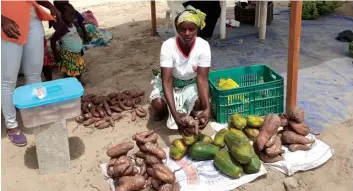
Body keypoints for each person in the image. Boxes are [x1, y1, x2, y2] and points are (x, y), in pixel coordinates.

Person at [1, 0, 59, 147]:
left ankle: (35, 113)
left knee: (34, 73)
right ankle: (12, 127)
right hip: (8, 22)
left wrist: (50, 6)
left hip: (33, 20)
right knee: (8, 81)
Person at [150, 5, 211, 135]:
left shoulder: (203, 46)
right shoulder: (168, 46)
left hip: (189, 83)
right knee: (158, 104)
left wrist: (207, 108)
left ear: (197, 29)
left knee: (201, 104)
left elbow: (202, 79)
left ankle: (185, 109)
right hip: (170, 84)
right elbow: (167, 81)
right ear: (177, 29)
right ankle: (168, 110)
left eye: (191, 29)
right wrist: (176, 118)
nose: (187, 33)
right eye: (183, 29)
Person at [51, 3, 86, 83]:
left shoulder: (73, 25)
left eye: (73, 14)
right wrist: (55, 54)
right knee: (70, 71)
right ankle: (71, 84)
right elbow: (53, 40)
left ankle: (78, 81)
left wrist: (80, 49)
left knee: (78, 68)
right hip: (68, 55)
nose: (73, 16)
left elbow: (76, 37)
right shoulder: (62, 27)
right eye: (70, 14)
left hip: (76, 54)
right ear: (61, 15)